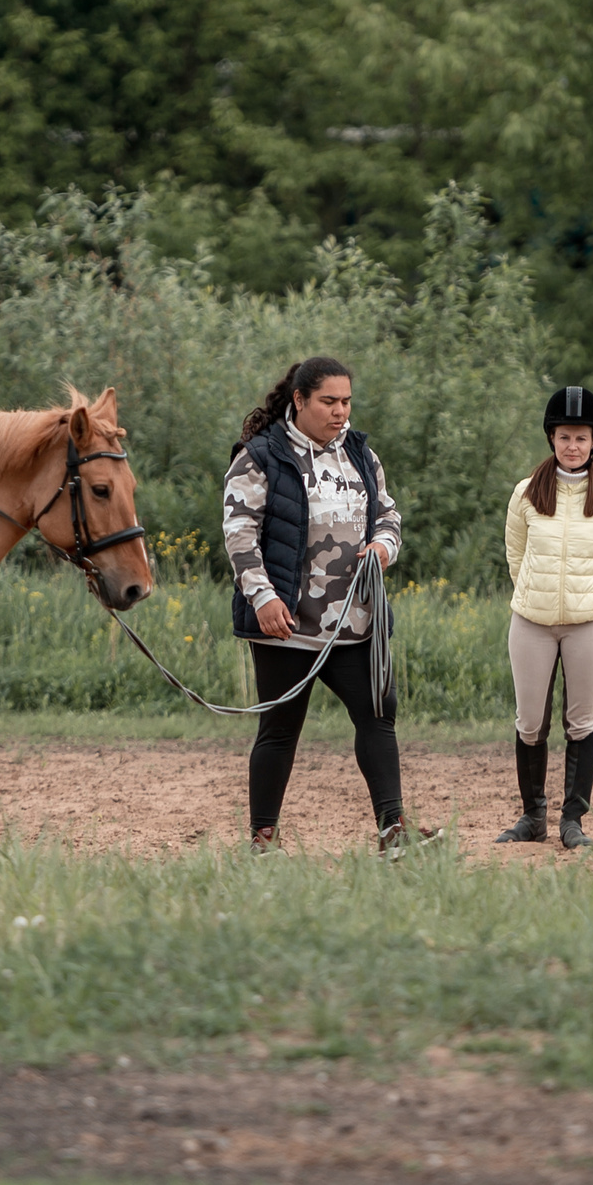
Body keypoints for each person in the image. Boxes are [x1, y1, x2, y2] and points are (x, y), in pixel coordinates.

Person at [223, 356, 430, 853]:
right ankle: (263, 840)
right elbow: (239, 532)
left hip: (354, 624)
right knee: (279, 730)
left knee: (378, 715)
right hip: (286, 626)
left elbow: (389, 515)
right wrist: (262, 598)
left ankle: (394, 831)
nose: (341, 412)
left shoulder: (361, 453)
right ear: (299, 400)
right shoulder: (260, 456)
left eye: (346, 402)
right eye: (329, 401)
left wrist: (384, 546)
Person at [497, 385, 593, 850]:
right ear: (551, 439)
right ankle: (532, 816)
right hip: (531, 623)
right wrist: (537, 599)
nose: (572, 446)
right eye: (564, 437)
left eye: (580, 437)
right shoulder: (526, 493)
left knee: (582, 722)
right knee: (529, 722)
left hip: (589, 626)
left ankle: (572, 820)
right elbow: (516, 555)